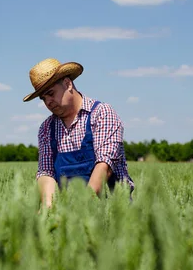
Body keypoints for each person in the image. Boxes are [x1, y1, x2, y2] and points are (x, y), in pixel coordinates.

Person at [23, 58, 135, 208]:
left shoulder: (101, 113)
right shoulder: (47, 128)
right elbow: (46, 172)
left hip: (116, 214)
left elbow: (104, 165)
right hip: (73, 219)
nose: (48, 102)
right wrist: (48, 210)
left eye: (50, 93)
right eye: (43, 98)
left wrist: (82, 208)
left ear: (68, 84)